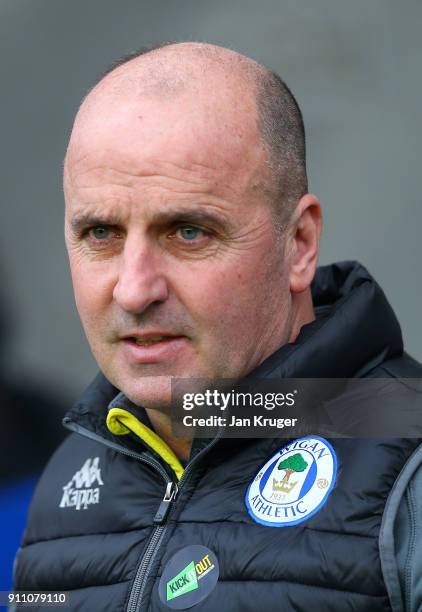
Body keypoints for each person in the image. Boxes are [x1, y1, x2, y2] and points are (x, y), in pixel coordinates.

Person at [13, 42, 422, 611]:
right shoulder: (67, 482)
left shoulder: (409, 466)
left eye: (188, 232)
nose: (134, 289)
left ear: (299, 244)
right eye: (100, 234)